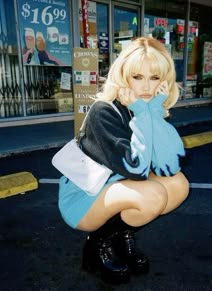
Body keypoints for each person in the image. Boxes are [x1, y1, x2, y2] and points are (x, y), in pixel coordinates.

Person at [57, 37, 189, 283]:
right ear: (124, 76)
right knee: (153, 194)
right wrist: (142, 113)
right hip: (85, 197)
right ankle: (98, 243)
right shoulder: (104, 111)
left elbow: (170, 165)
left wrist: (154, 114)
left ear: (164, 81)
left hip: (120, 187)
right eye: (138, 77)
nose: (147, 87)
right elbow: (136, 169)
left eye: (155, 78)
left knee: (179, 185)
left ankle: (122, 235)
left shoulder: (148, 107)